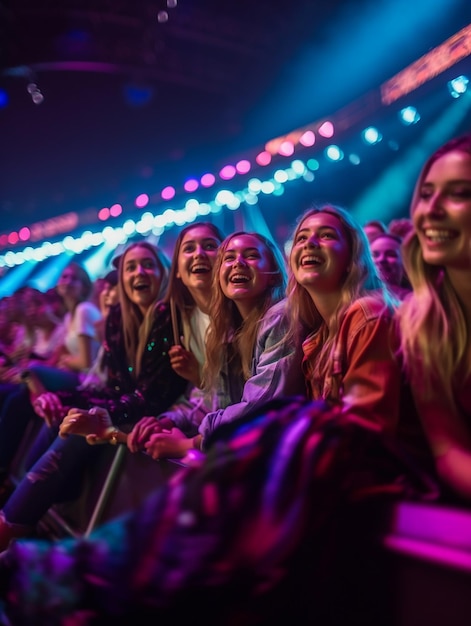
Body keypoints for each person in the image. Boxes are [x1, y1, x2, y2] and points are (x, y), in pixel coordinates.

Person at [0, 240, 188, 549]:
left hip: (155, 416)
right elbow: (111, 386)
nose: (139, 273)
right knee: (63, 417)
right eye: (130, 267)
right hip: (127, 408)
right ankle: (21, 522)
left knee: (77, 428)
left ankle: (10, 529)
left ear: (164, 274)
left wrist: (99, 417)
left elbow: (153, 396)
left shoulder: (169, 315)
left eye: (148, 265)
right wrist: (66, 403)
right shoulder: (117, 318)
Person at [60, 231, 307, 458]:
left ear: (274, 274)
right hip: (242, 444)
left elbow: (256, 408)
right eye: (229, 257)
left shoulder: (277, 317)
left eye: (251, 255)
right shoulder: (225, 330)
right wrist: (170, 422)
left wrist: (190, 443)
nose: (238, 263)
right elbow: (212, 400)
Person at [396, 133, 471, 502]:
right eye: (426, 194)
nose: (431, 210)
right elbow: (449, 452)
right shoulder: (422, 319)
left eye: (459, 193)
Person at [369, 232, 411, 300]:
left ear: (405, 261)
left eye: (391, 254)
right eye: (375, 255)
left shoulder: (415, 298)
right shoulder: (355, 295)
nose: (381, 259)